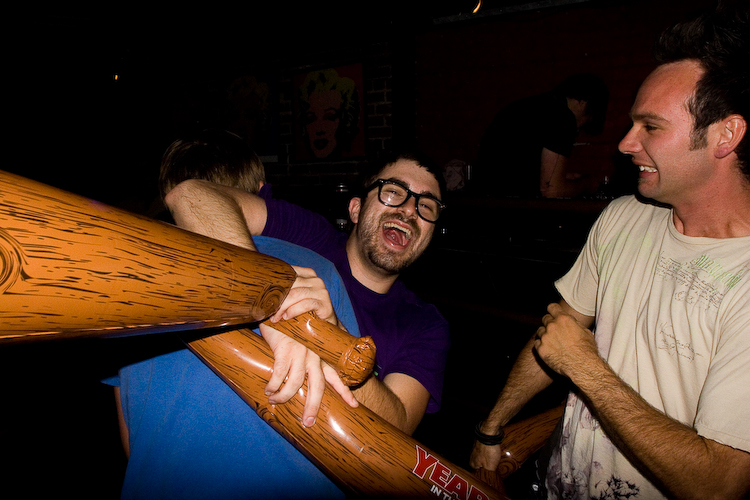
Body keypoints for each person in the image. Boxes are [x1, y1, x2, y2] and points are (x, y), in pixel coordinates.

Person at [470, 7, 750, 500]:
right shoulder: (623, 217)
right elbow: (557, 333)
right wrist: (491, 427)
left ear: (725, 135)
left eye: (651, 127)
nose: (625, 143)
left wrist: (586, 367)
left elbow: (720, 484)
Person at [108, 129, 362, 499]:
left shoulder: (129, 278)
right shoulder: (315, 272)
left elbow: (132, 439)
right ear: (258, 190)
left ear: (166, 194)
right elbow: (354, 414)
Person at [165, 151, 451, 435]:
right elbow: (191, 195)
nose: (410, 210)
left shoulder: (426, 324)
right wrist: (266, 294)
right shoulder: (310, 234)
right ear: (356, 209)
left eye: (427, 206)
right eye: (393, 191)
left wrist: (329, 339)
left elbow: (398, 426)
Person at [475, 73, 608, 198]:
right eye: (587, 119)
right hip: (510, 205)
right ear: (583, 103)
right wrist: (587, 185)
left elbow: (513, 168)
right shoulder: (562, 117)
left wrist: (564, 178)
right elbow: (551, 190)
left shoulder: (523, 107)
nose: (578, 128)